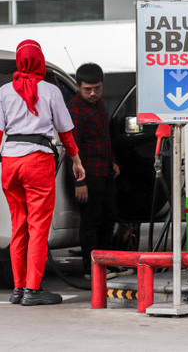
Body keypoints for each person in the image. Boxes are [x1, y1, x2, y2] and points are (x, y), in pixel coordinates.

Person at [0, 39, 85, 306]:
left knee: (19, 227)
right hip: (37, 162)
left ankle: (18, 288)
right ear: (40, 61)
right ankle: (33, 289)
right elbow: (65, 132)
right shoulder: (51, 91)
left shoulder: (5, 91)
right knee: (38, 227)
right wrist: (76, 161)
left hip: (10, 164)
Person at [67, 62, 130, 279]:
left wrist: (112, 161)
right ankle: (90, 268)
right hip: (88, 175)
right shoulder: (75, 109)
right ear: (78, 87)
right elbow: (73, 148)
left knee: (109, 218)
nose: (93, 93)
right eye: (88, 89)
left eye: (97, 88)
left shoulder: (99, 105)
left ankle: (106, 263)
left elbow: (105, 138)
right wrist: (79, 182)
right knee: (90, 222)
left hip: (104, 171)